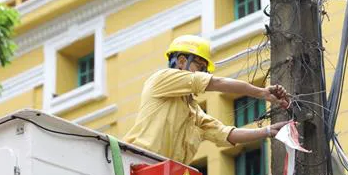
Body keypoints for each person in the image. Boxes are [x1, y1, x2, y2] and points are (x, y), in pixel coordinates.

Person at [124, 35, 291, 164]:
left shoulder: (193, 113)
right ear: (182, 62)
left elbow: (226, 133)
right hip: (138, 161)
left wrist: (268, 131)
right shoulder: (162, 79)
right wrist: (262, 93)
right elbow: (218, 83)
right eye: (201, 68)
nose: (205, 74)